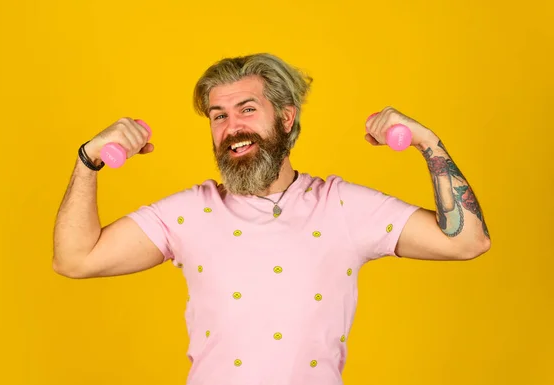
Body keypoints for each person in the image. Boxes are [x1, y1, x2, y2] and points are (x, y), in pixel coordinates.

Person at [53, 53, 491, 385]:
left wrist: (429, 144)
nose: (232, 126)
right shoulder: (187, 212)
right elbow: (76, 259)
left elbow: (465, 241)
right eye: (218, 116)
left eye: (247, 109)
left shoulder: (343, 206)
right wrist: (88, 161)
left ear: (285, 117)